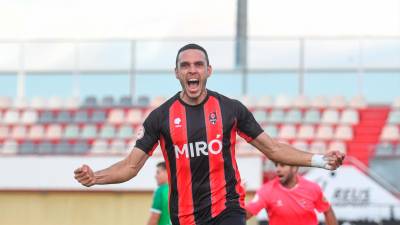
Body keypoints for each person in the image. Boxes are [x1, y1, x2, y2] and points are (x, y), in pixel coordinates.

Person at [74, 43, 345, 225]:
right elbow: (130, 166)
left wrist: (322, 160)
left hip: (227, 208)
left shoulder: (230, 110)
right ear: (177, 73)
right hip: (185, 215)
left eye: (199, 65)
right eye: (185, 65)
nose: (192, 70)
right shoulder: (161, 117)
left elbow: (272, 149)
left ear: (208, 71)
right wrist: (95, 178)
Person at [245, 162, 338, 225]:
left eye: (282, 165)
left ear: (294, 168)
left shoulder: (312, 188)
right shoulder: (266, 190)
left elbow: (327, 210)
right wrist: (238, 197)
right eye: (276, 165)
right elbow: (246, 215)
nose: (277, 169)